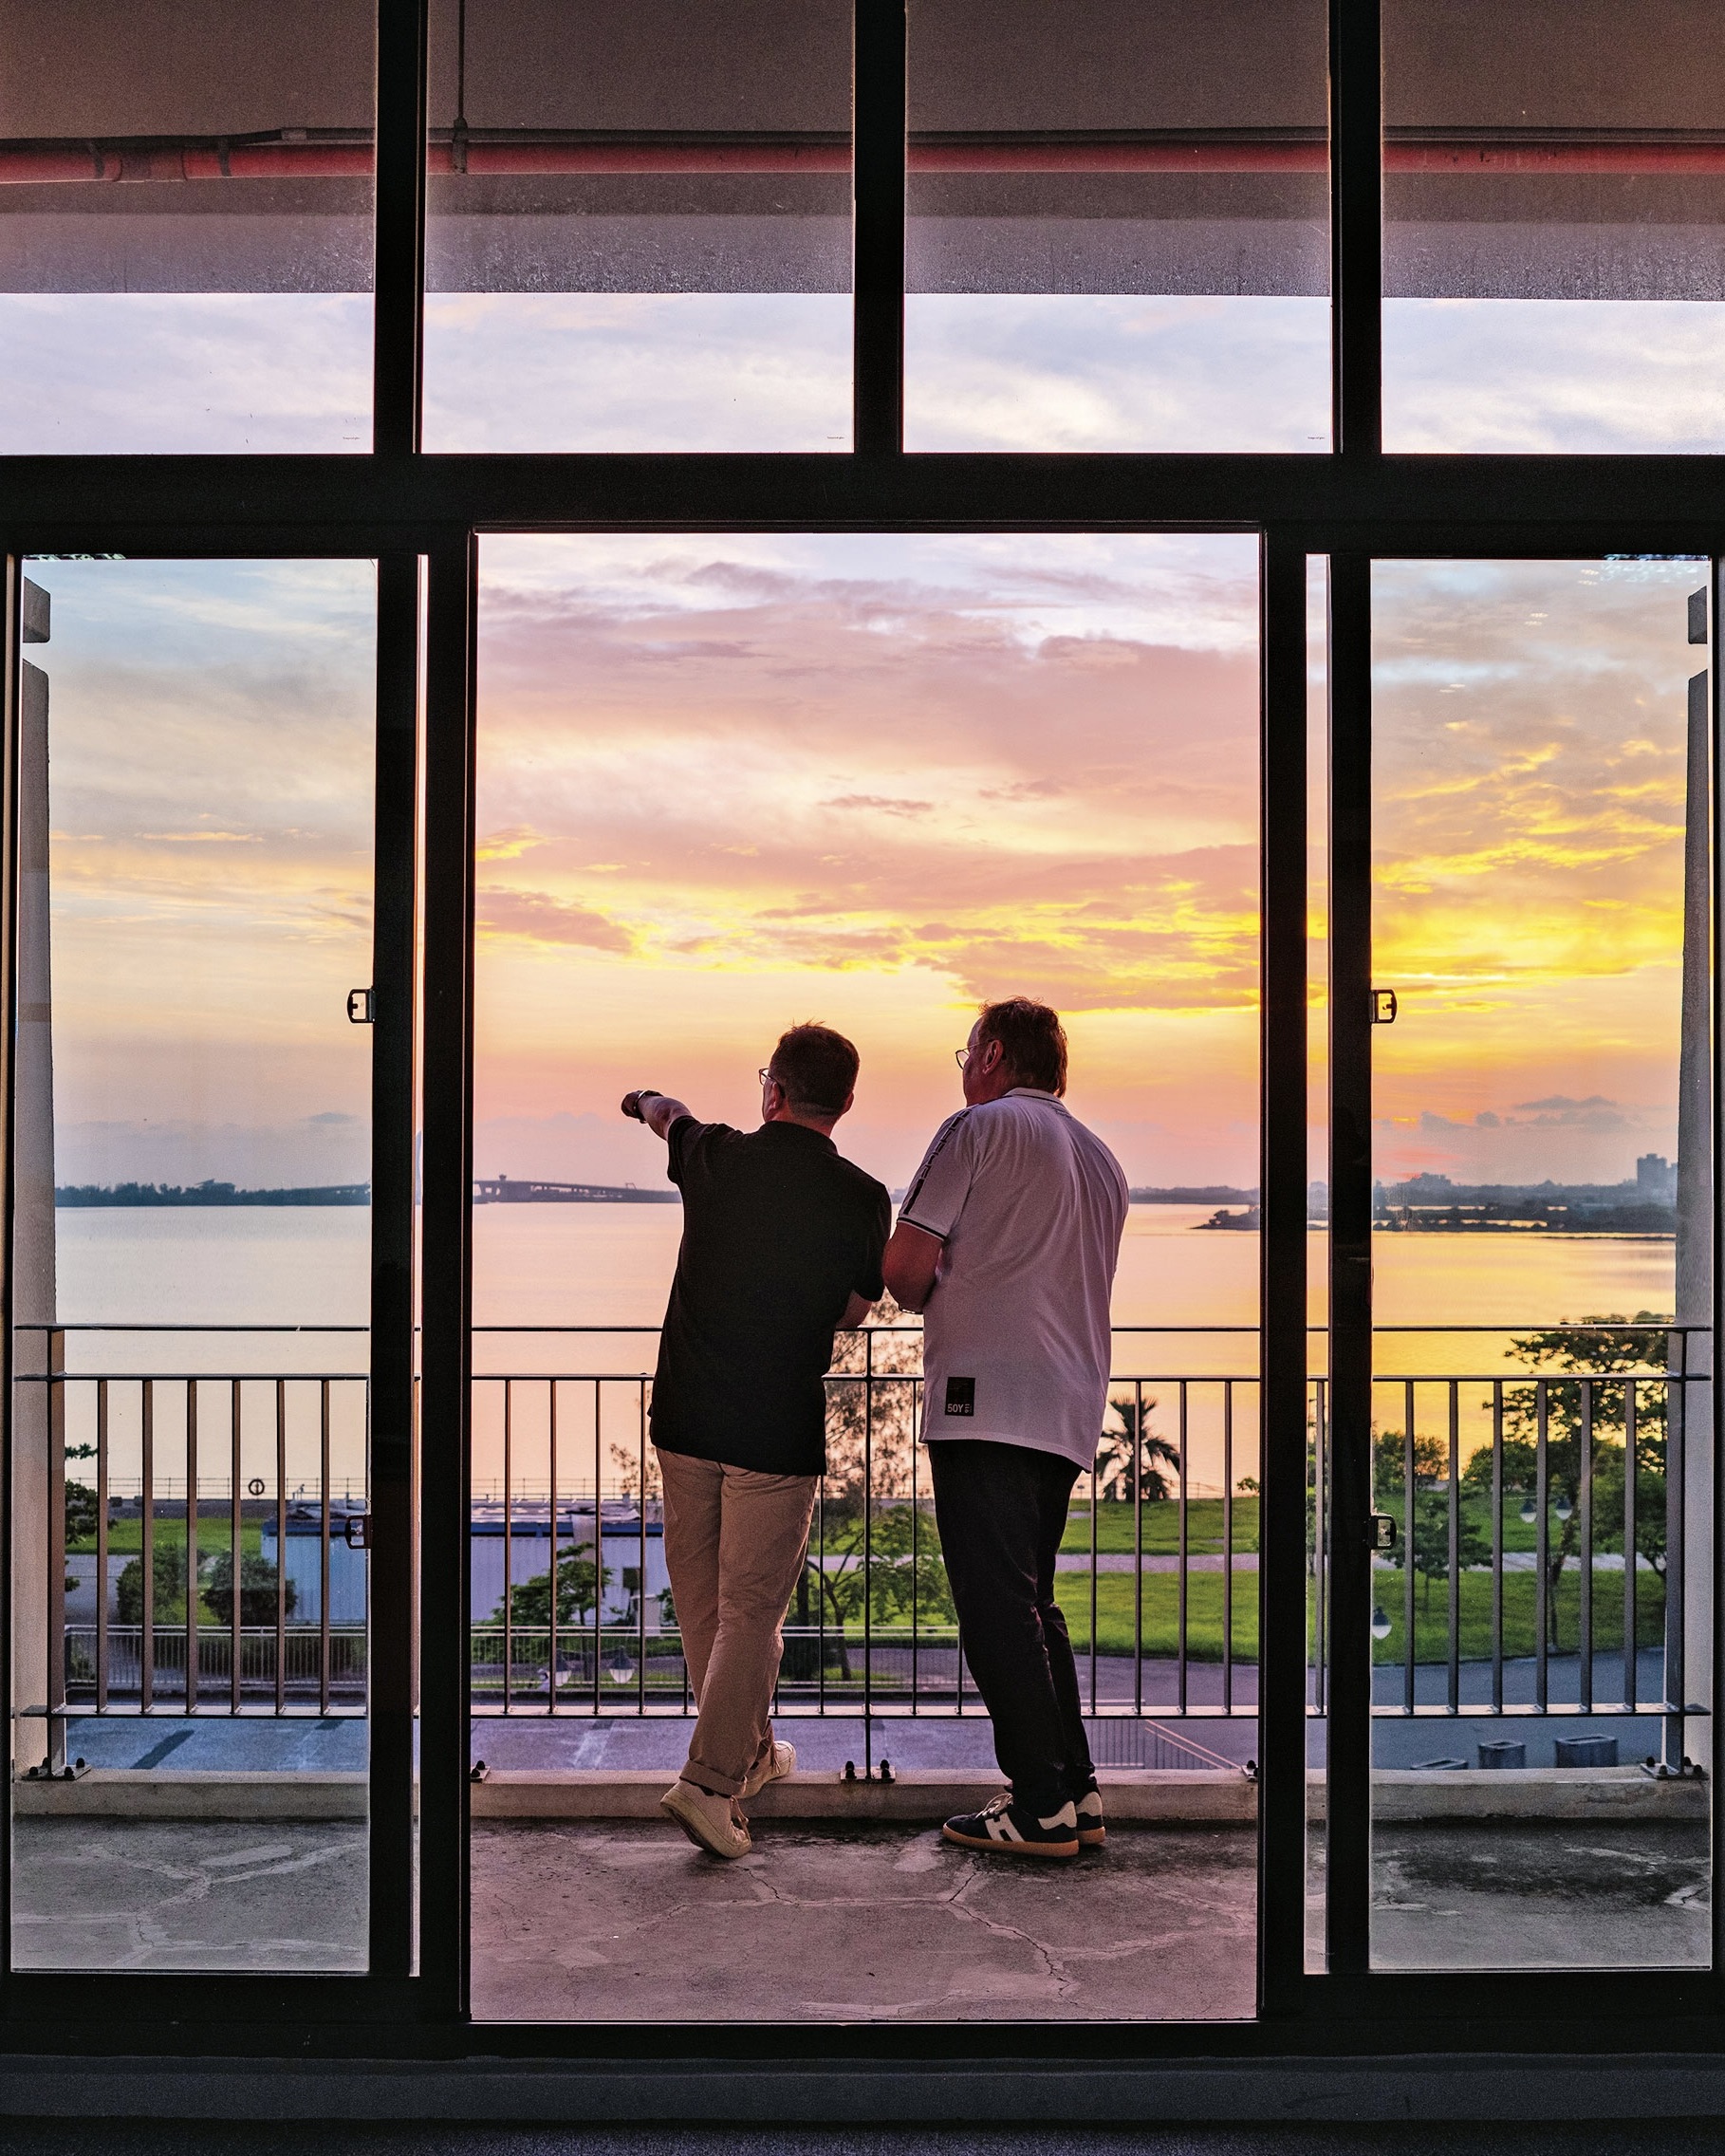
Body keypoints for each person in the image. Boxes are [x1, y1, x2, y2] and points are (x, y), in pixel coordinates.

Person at [621, 1023, 890, 1860]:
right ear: (844, 1102)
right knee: (749, 1612)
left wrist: (639, 1101)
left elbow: (668, 1113)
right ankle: (713, 1781)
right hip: (774, 1427)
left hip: (687, 1418)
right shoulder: (863, 1197)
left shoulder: (716, 1156)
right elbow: (851, 1313)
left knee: (706, 1605)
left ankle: (741, 1759)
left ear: (772, 1089)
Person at [883, 997, 1128, 1860]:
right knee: (1034, 1604)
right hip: (1067, 1407)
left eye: (966, 1052)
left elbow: (904, 1274)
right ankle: (1075, 1790)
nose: (963, 1068)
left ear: (989, 1055)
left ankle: (1039, 1805)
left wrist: (943, 1272)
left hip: (981, 1401)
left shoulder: (975, 1130)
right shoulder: (1103, 1162)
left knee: (994, 1611)